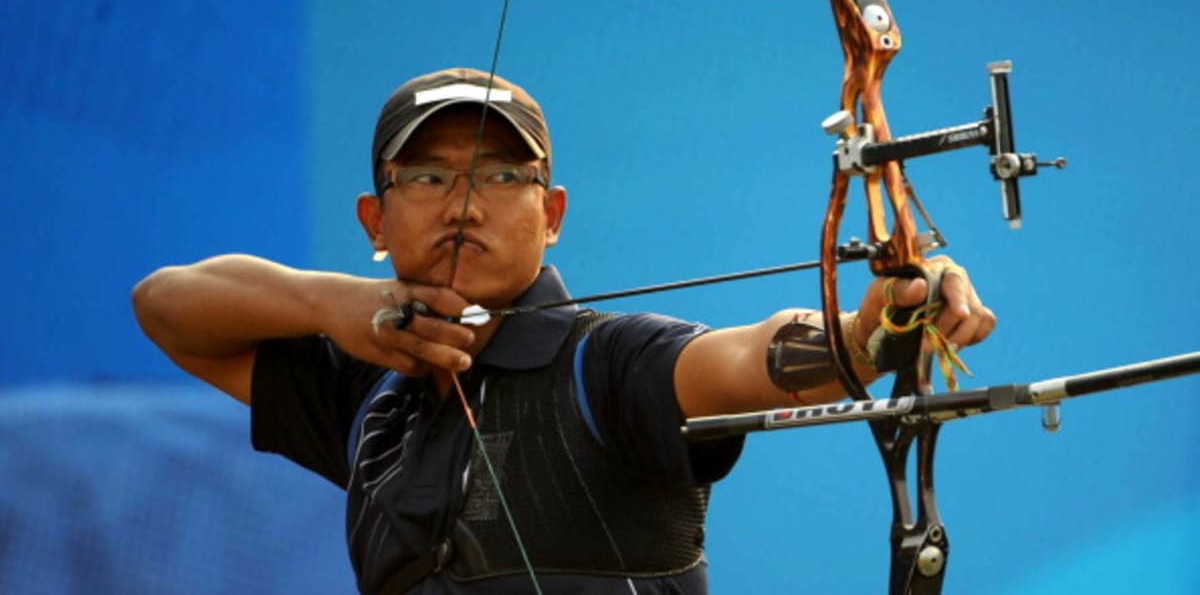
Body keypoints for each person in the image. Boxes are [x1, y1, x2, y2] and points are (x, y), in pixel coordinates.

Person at [132, 67, 994, 594]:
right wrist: (330, 305)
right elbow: (167, 305)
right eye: (427, 176)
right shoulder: (366, 395)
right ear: (376, 218)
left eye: (502, 175)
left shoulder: (608, 366)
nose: (464, 203)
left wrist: (876, 324)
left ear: (551, 216)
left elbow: (754, 359)